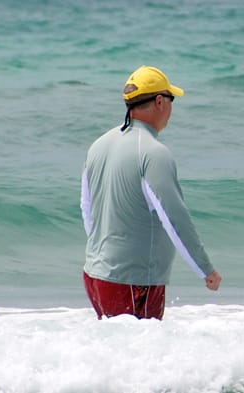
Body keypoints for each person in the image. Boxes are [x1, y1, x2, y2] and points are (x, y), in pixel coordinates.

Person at [80, 65, 222, 320]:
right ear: (159, 101)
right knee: (138, 354)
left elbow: (87, 209)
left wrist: (104, 256)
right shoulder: (154, 153)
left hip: (95, 275)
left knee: (118, 353)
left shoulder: (99, 145)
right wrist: (206, 269)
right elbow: (175, 219)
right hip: (133, 282)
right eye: (171, 99)